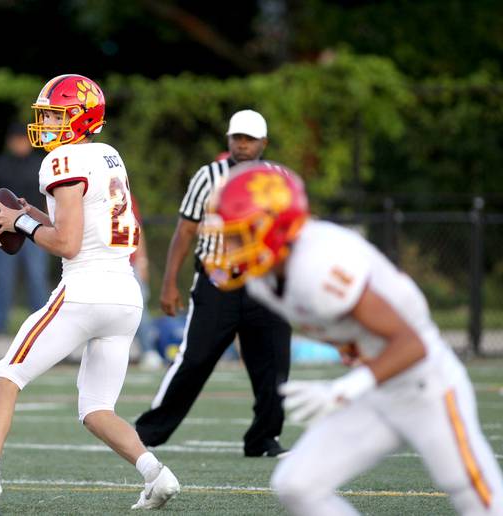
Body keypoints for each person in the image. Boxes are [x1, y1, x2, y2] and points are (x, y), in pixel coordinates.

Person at [204, 160, 503, 515]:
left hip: (426, 387)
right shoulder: (263, 281)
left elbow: (412, 345)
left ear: (275, 225)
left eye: (239, 233)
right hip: (378, 390)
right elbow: (332, 326)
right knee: (298, 485)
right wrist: (350, 352)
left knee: (479, 498)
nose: (230, 244)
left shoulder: (319, 264)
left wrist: (344, 389)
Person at [0, 74, 180, 510]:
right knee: (96, 409)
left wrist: (21, 223)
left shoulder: (61, 162)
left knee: (6, 376)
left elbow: (67, 244)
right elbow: (76, 223)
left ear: (82, 117)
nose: (47, 125)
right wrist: (30, 213)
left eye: (57, 115)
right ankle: (158, 475)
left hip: (85, 290)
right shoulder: (108, 155)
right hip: (125, 295)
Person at [135, 109, 292, 458]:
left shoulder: (279, 177)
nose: (242, 145)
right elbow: (186, 229)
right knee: (195, 359)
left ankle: (264, 438)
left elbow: (290, 231)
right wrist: (169, 284)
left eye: (250, 139)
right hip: (217, 282)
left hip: (265, 283)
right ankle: (146, 434)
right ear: (228, 140)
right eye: (237, 137)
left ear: (263, 143)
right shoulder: (209, 176)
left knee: (274, 364)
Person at [0, 123, 50, 338]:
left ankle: (41, 327)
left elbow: (49, 199)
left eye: (23, 139)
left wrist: (50, 227)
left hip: (33, 229)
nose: (20, 143)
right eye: (16, 139)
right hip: (6, 230)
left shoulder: (41, 164)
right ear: (10, 141)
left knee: (37, 279)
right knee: (3, 279)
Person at [131, 196, 162, 370]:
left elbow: (137, 228)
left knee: (139, 308)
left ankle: (149, 351)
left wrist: (142, 260)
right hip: (103, 261)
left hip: (128, 260)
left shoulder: (121, 190)